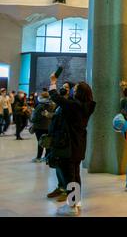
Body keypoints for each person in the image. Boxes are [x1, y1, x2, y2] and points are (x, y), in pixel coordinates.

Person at [48, 74, 96, 217]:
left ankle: (71, 206)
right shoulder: (87, 106)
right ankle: (76, 200)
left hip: (68, 144)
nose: (73, 92)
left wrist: (53, 83)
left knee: (69, 176)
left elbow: (56, 98)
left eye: (75, 90)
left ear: (79, 93)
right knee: (75, 173)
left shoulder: (74, 105)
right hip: (79, 144)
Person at [46, 82, 73, 202]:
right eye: (63, 86)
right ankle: (60, 187)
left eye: (67, 87)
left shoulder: (70, 104)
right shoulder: (59, 104)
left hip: (65, 139)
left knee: (65, 167)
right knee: (57, 164)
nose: (64, 89)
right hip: (56, 138)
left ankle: (68, 191)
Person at [30, 92, 55, 163]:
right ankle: (47, 157)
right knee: (47, 142)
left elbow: (35, 118)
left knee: (40, 142)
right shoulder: (52, 105)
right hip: (49, 127)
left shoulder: (40, 106)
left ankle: (38, 157)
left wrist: (32, 118)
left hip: (39, 127)